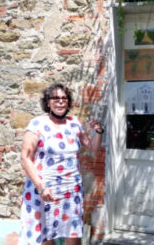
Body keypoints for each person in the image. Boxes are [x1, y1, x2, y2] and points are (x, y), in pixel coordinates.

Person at [19, 83, 104, 245]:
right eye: (55, 98)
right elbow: (25, 157)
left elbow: (92, 147)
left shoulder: (74, 124)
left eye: (64, 98)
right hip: (45, 191)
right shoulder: (37, 124)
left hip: (71, 190)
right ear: (48, 102)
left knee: (73, 234)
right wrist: (40, 186)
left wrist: (98, 131)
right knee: (45, 235)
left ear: (68, 102)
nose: (60, 102)